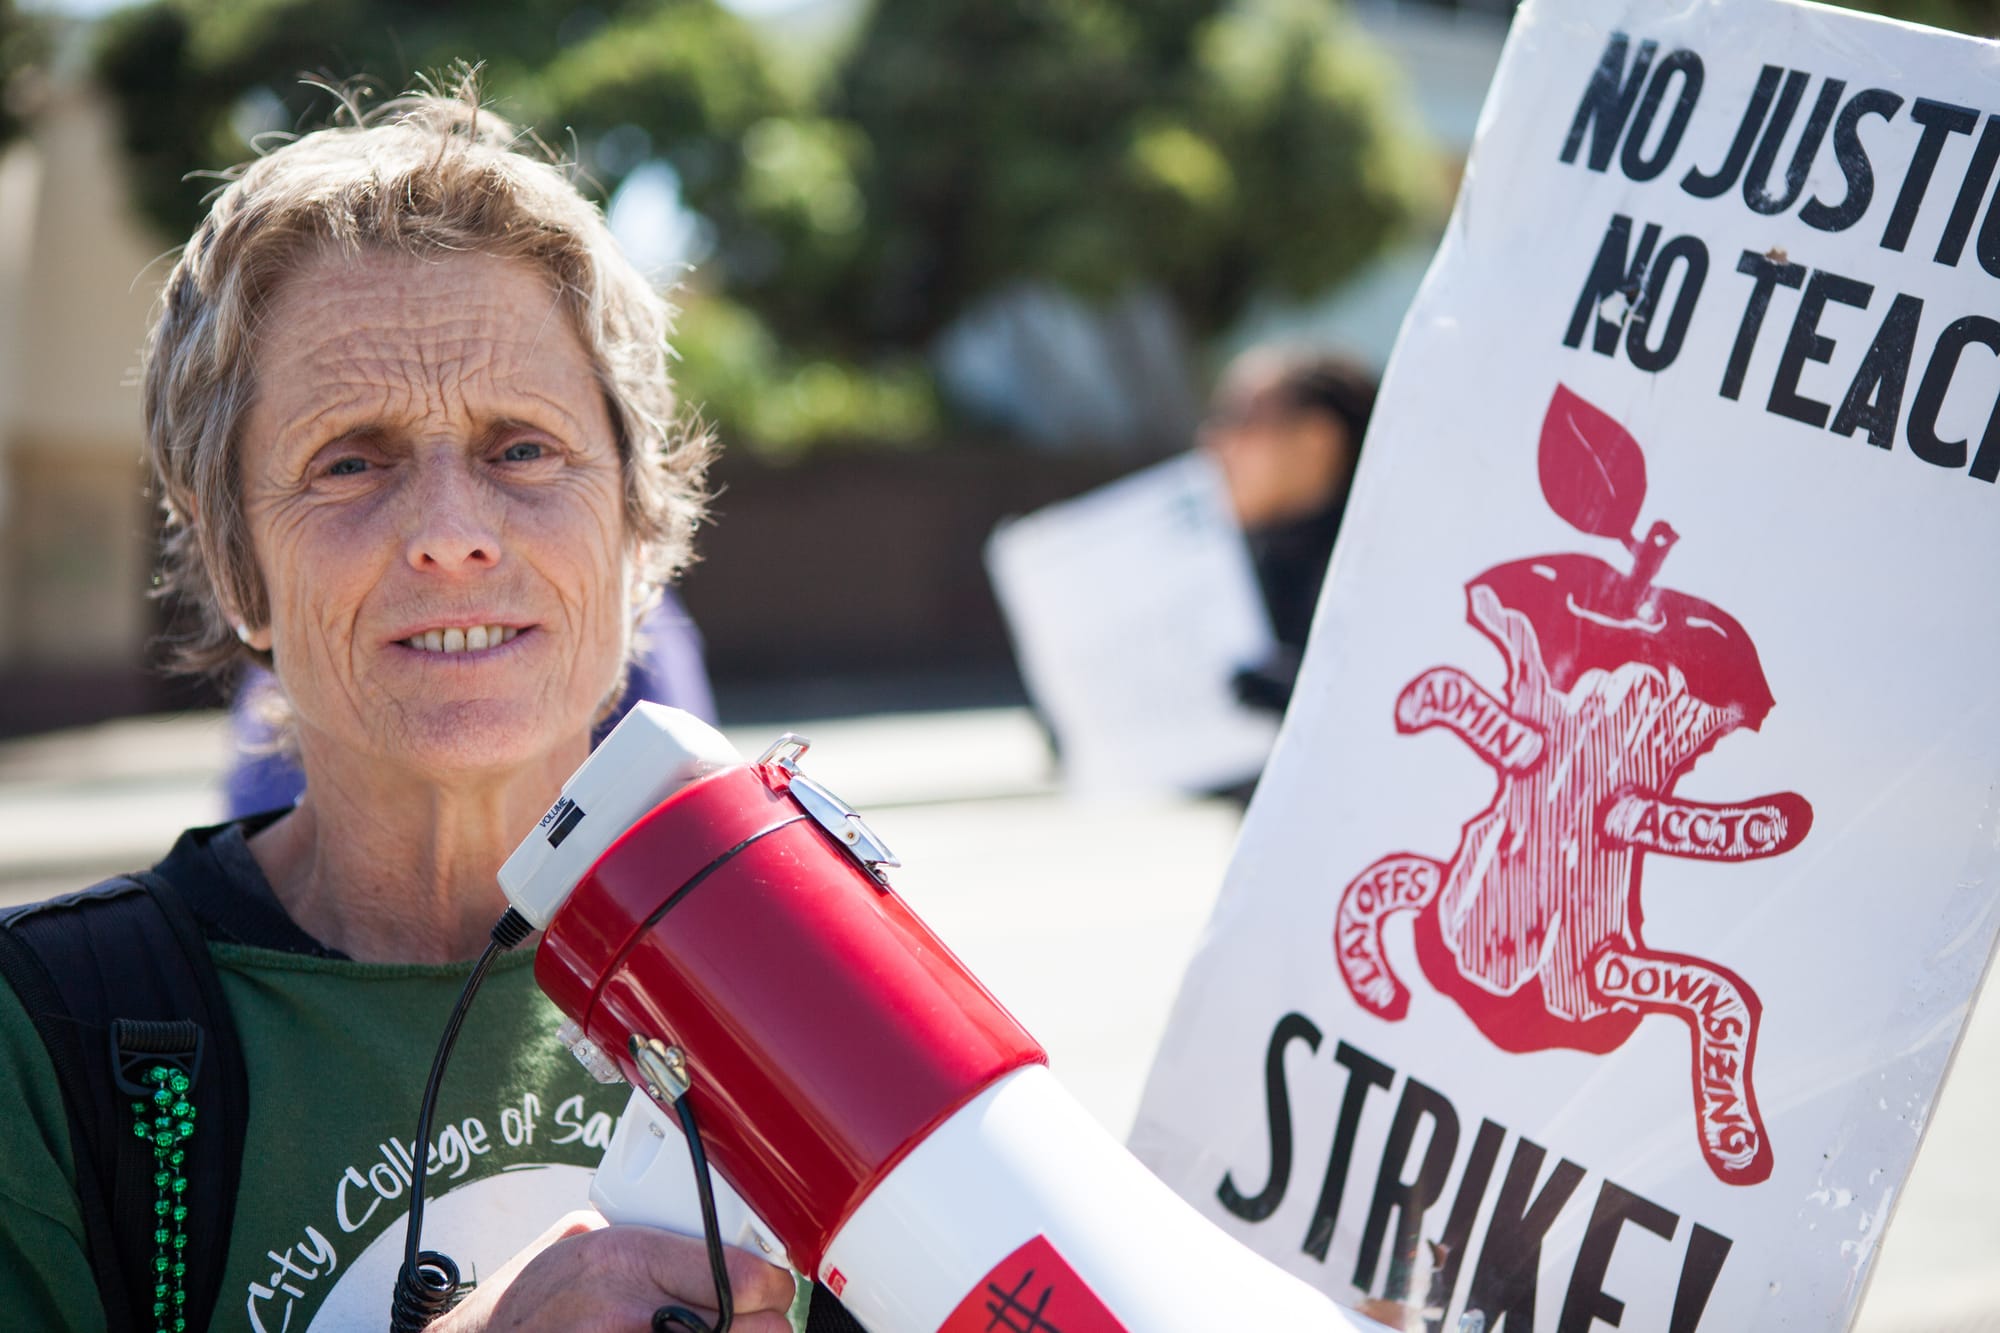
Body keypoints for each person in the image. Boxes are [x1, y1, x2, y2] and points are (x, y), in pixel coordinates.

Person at [0, 86, 797, 1332]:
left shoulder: (807, 986)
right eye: (351, 460)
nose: (449, 535)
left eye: (521, 448)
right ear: (234, 566)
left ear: (637, 528)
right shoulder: (46, 1045)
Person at [1200, 345, 1377, 714]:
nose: (1213, 441)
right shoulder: (1231, 577)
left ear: (1317, 440)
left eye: (1239, 417)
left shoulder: (1395, 559)